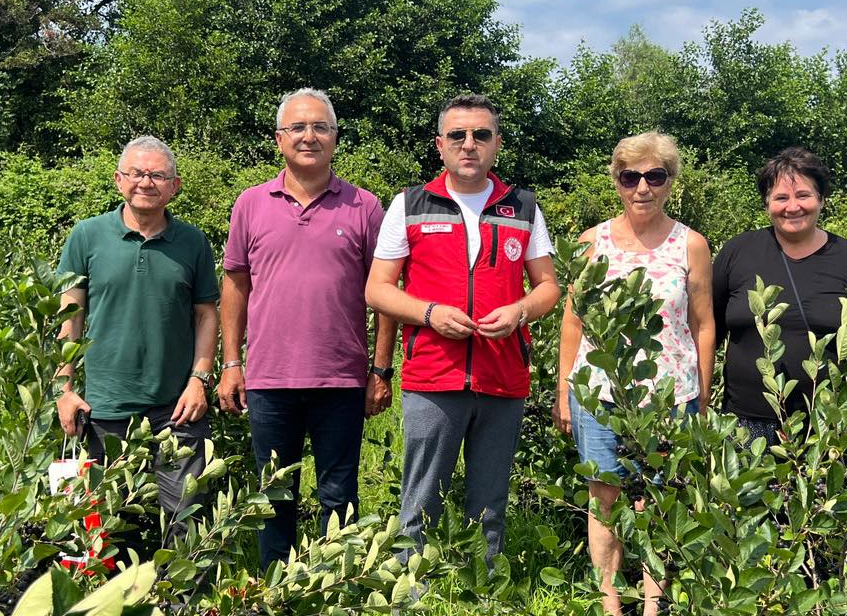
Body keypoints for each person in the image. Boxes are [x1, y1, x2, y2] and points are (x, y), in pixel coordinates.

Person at [365, 93, 560, 561]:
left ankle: (485, 600)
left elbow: (548, 287)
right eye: (458, 135)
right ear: (440, 145)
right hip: (433, 375)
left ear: (496, 144)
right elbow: (378, 290)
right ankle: (405, 605)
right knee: (420, 501)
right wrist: (430, 313)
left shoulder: (523, 207)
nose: (468, 144)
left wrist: (519, 312)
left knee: (489, 503)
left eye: (481, 135)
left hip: (503, 376)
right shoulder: (409, 204)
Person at [217, 88, 397, 570]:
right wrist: (231, 363)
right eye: (298, 127)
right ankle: (275, 591)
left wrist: (381, 369)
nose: (309, 136)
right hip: (269, 378)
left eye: (320, 127)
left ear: (335, 138)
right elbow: (235, 285)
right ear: (279, 138)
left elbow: (385, 295)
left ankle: (336, 587)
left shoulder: (364, 206)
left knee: (340, 493)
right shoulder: (251, 203)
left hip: (340, 378)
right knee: (274, 495)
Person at [553, 132, 713, 616]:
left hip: (670, 396)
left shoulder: (691, 244)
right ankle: (608, 607)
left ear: (670, 182)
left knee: (659, 501)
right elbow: (574, 321)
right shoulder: (590, 242)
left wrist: (702, 396)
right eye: (630, 176)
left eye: (654, 176)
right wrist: (564, 390)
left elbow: (703, 324)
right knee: (604, 499)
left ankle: (653, 612)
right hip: (599, 396)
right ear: (618, 182)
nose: (642, 187)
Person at [54, 135, 219, 559]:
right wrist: (64, 388)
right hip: (104, 407)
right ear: (118, 180)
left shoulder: (193, 243)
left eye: (158, 175)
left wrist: (200, 379)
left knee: (187, 520)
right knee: (102, 528)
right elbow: (69, 316)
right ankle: (104, 615)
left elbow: (206, 315)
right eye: (137, 173)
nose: (146, 182)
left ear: (175, 186)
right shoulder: (87, 236)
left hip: (176, 408)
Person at [712, 147, 847, 443]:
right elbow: (708, 331)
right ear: (766, 203)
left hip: (829, 426)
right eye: (781, 197)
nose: (793, 206)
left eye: (804, 195)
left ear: (822, 199)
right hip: (745, 425)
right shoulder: (737, 253)